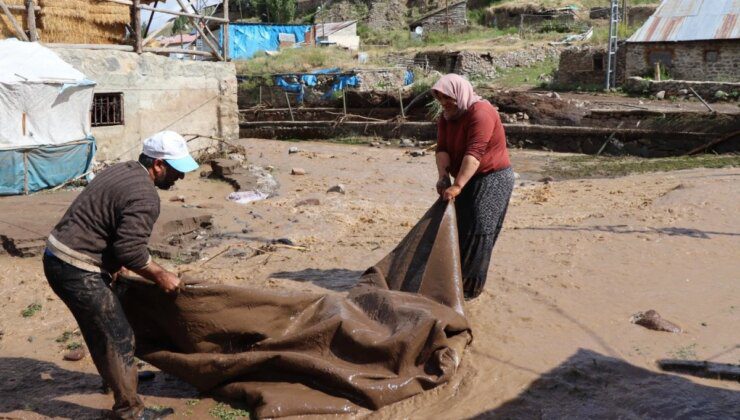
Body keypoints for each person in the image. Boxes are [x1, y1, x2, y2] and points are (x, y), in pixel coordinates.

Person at [42, 131, 200, 419]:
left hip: (60, 255)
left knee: (102, 325)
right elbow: (130, 250)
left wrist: (116, 265)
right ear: (158, 165)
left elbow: (107, 224)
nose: (180, 177)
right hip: (76, 266)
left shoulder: (123, 169)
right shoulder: (145, 195)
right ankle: (130, 411)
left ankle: (119, 381)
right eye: (176, 170)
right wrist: (161, 276)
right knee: (118, 334)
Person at [432, 74, 515, 300]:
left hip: (492, 178)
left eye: (448, 98)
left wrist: (457, 186)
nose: (444, 103)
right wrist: (443, 178)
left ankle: (469, 293)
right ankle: (453, 282)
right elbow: (442, 149)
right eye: (440, 98)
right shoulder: (446, 117)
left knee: (479, 231)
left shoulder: (481, 113)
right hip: (465, 176)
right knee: (459, 228)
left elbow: (474, 153)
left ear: (460, 93)